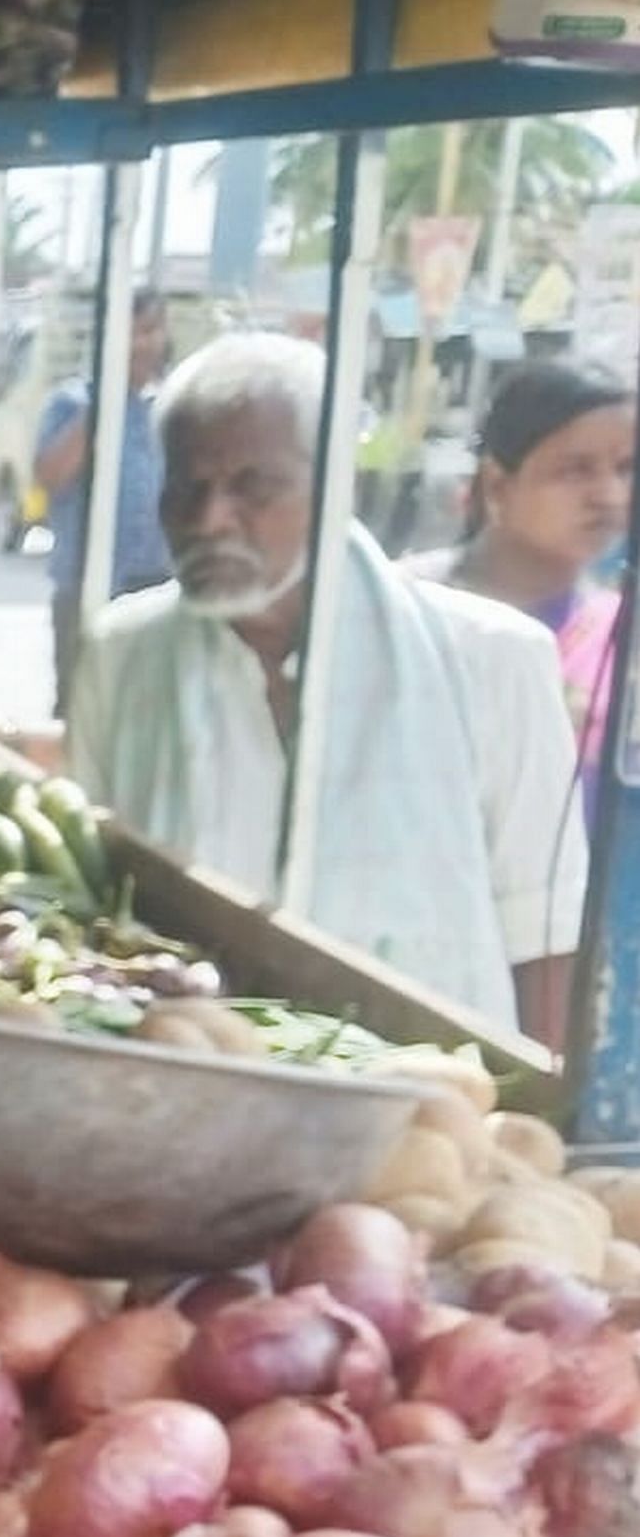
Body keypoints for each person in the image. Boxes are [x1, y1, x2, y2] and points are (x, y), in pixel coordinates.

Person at [67, 332, 583, 1042]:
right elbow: (96, 891)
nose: (210, 518)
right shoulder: (120, 653)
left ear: (335, 487)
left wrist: (532, 1133)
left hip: (424, 1107)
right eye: (188, 485)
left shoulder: (497, 661)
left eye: (254, 486)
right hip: (190, 1090)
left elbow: (544, 934)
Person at [410, 358, 635, 818]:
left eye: (625, 468)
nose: (610, 495)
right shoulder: (408, 605)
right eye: (576, 470)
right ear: (497, 484)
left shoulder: (622, 635)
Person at [35, 293, 173, 709]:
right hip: (88, 588)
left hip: (157, 590)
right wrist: (106, 401)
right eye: (129, 333)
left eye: (149, 331)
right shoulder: (72, 402)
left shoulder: (169, 407)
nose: (140, 344)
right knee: (85, 711)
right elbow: (50, 476)